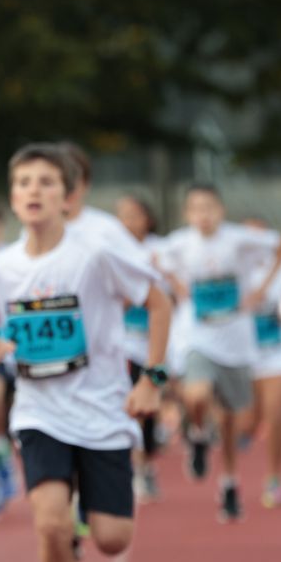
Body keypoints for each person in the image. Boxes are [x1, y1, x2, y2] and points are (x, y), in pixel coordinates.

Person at [0, 144, 171, 562]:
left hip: (103, 410)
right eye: (24, 183)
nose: (33, 191)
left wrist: (152, 378)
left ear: (69, 195)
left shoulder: (96, 253)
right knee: (50, 526)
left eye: (46, 182)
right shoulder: (0, 268)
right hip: (39, 413)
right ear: (13, 198)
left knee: (112, 539)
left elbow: (159, 301)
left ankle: (88, 516)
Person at [156, 184, 281, 522]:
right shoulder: (179, 242)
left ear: (221, 210)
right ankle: (197, 433)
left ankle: (229, 483)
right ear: (187, 214)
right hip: (197, 334)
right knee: (195, 394)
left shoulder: (239, 238)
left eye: (209, 207)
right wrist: (177, 285)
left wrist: (259, 291)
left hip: (236, 338)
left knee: (232, 420)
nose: (203, 215)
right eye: (196, 208)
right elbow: (155, 260)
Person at [241, 220, 281, 510]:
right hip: (240, 353)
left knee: (276, 413)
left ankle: (274, 479)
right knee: (248, 421)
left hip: (275, 351)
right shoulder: (234, 265)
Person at [113, 194, 168, 500]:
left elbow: (172, 292)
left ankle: (146, 462)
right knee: (126, 405)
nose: (128, 222)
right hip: (123, 345)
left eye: (134, 215)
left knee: (150, 408)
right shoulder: (111, 250)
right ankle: (134, 466)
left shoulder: (161, 249)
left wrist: (163, 273)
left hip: (156, 345)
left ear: (148, 218)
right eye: (122, 215)